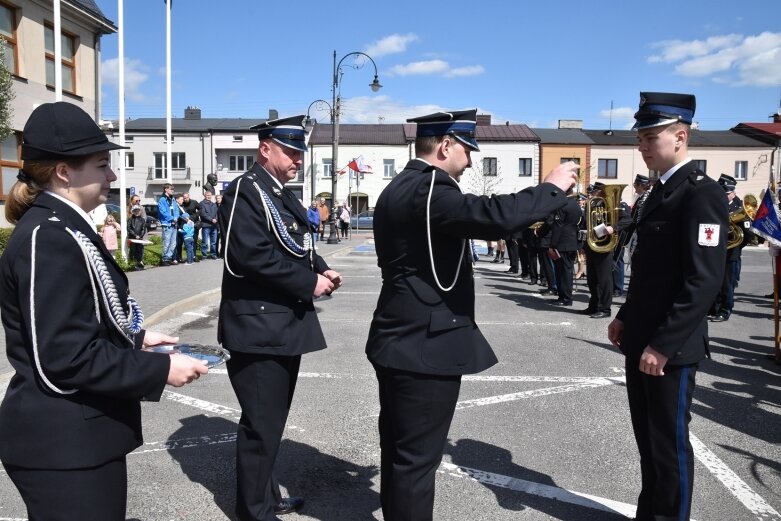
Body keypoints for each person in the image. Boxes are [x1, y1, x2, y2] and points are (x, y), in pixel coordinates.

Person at [365, 109, 578, 521]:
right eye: (466, 150)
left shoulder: (400, 187)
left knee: (399, 452)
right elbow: (493, 216)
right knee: (416, 462)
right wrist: (550, 188)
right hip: (425, 345)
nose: (470, 161)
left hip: (398, 335)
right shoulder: (431, 190)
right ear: (445, 145)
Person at [0, 102, 207, 521]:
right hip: (63, 444)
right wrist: (158, 371)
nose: (113, 175)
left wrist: (135, 337)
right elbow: (64, 356)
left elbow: (79, 316)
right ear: (63, 172)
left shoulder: (64, 227)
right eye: (102, 165)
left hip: (77, 439)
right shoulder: (50, 237)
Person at [608, 92, 727, 521]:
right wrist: (625, 316)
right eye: (639, 136)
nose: (640, 144)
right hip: (643, 339)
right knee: (649, 443)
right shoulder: (659, 192)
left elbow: (703, 280)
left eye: (648, 135)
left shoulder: (700, 194)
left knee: (669, 445)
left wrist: (663, 344)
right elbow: (649, 271)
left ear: (680, 136)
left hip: (668, 350)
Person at [218, 115, 343, 521]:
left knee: (270, 424)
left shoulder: (281, 194)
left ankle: (267, 499)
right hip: (257, 327)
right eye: (289, 152)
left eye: (299, 153)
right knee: (260, 427)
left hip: (280, 324)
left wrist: (321, 268)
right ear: (265, 148)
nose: (296, 161)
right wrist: (307, 283)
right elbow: (248, 255)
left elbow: (299, 244)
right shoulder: (245, 191)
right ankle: (255, 512)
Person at [581, 181, 631, 318]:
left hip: (605, 247)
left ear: (601, 191)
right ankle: (594, 305)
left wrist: (612, 228)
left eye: (595, 191)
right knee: (592, 279)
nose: (593, 193)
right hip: (592, 246)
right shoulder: (593, 205)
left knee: (604, 280)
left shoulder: (615, 205)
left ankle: (605, 309)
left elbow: (628, 220)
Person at [709, 174, 752, 322]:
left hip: (731, 253)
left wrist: (735, 247)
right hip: (716, 251)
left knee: (727, 284)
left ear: (733, 192)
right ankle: (714, 308)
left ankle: (725, 310)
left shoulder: (740, 207)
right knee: (715, 281)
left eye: (726, 193)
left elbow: (746, 235)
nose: (723, 195)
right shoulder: (716, 204)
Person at [549, 189, 582, 306]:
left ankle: (566, 298)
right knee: (566, 271)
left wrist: (552, 245)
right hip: (572, 241)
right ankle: (563, 296)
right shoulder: (575, 205)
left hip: (562, 243)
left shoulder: (562, 205)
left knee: (562, 272)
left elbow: (557, 227)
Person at [158, 183, 179, 266]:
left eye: (173, 189)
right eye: (171, 189)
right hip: (167, 224)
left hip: (174, 223)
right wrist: (172, 218)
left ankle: (169, 257)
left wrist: (176, 218)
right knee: (166, 242)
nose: (172, 191)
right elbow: (163, 212)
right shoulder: (162, 199)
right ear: (166, 189)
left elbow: (176, 209)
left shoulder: (173, 199)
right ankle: (164, 259)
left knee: (173, 243)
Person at [199, 190, 219, 259]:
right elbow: (203, 214)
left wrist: (216, 219)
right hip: (206, 225)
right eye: (207, 195)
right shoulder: (201, 204)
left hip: (214, 225)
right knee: (205, 242)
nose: (209, 197)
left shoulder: (213, 204)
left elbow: (217, 213)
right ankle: (204, 255)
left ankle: (213, 254)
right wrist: (211, 219)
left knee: (213, 242)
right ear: (205, 196)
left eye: (210, 195)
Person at [127, 204, 147, 270]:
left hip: (140, 238)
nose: (137, 212)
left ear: (140, 211)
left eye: (138, 210)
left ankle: (139, 262)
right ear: (133, 211)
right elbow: (129, 228)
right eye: (135, 211)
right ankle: (133, 263)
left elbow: (143, 229)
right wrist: (135, 235)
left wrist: (140, 235)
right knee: (133, 250)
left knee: (139, 250)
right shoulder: (130, 219)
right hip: (133, 238)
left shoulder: (142, 220)